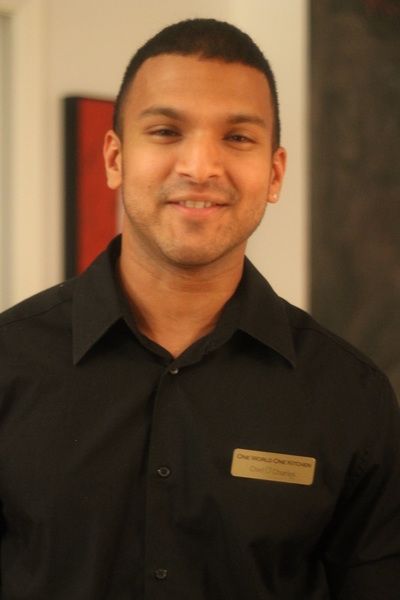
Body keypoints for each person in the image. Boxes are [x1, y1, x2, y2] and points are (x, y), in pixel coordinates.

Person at [0, 18, 399, 600]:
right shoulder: (9, 363)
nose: (201, 167)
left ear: (274, 172)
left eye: (237, 138)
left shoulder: (350, 395)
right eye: (166, 131)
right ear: (114, 158)